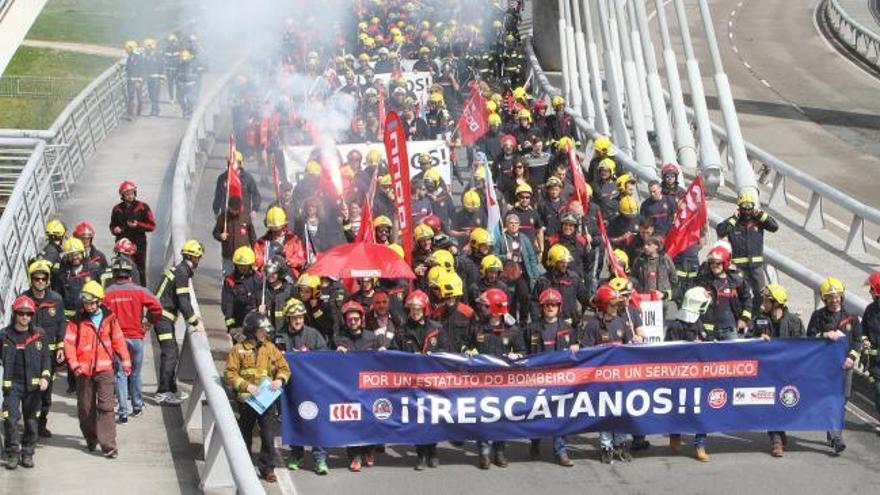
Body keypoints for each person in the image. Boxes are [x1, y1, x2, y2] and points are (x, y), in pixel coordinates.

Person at [63, 281, 132, 458]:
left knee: (106, 408)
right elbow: (69, 343)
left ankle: (109, 446)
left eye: (92, 302)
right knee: (85, 409)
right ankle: (91, 437)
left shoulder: (110, 318)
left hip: (105, 370)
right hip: (83, 371)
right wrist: (74, 365)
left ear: (99, 301)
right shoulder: (76, 320)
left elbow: (118, 340)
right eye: (86, 302)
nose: (89, 306)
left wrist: (125, 360)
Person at [224, 312, 290, 483]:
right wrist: (247, 386)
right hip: (246, 403)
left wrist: (279, 379)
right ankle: (243, 468)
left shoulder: (270, 348)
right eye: (262, 330)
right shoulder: (237, 350)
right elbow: (230, 374)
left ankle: (267, 468)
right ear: (253, 331)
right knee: (244, 435)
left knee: (268, 436)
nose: (265, 333)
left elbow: (284, 367)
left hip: (267, 402)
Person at [806, 277, 864, 455]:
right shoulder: (818, 316)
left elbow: (857, 342)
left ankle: (832, 431)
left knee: (843, 398)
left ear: (842, 297)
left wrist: (851, 358)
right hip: (825, 367)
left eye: (837, 296)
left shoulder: (852, 319)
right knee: (832, 399)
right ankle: (836, 435)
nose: (834, 300)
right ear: (824, 299)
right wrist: (824, 334)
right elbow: (809, 337)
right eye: (830, 297)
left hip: (845, 366)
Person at [467, 288, 523, 469]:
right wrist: (466, 351)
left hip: (504, 383)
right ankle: (484, 452)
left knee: (502, 417)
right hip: (481, 382)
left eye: (484, 306)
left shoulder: (512, 330)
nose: (480, 308)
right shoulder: (476, 326)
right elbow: (465, 345)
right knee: (483, 416)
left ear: (494, 308)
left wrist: (518, 355)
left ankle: (500, 452)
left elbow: (523, 351)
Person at [103, 257, 163, 423]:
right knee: (135, 373)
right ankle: (137, 405)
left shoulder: (107, 294)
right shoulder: (139, 291)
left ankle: (122, 411)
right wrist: (149, 322)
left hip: (117, 340)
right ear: (130, 274)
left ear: (114, 274)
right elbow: (157, 307)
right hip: (136, 338)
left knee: (121, 374)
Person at [394, 291, 448, 470]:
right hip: (412, 383)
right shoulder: (402, 330)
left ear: (424, 309)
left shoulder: (437, 328)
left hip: (434, 381)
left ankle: (433, 452)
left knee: (433, 417)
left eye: (418, 308)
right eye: (411, 308)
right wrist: (409, 357)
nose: (415, 311)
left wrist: (436, 355)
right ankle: (421, 455)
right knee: (417, 418)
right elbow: (394, 354)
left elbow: (448, 350)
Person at [581, 284, 634, 464]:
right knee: (604, 412)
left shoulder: (621, 322)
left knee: (621, 411)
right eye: (613, 304)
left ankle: (621, 444)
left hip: (620, 377)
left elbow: (629, 346)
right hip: (601, 379)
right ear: (603, 305)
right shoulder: (593, 325)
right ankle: (606, 446)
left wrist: (633, 342)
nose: (617, 307)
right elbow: (585, 352)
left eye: (618, 304)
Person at [752, 283, 805, 457]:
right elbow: (747, 339)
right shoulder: (759, 319)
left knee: (785, 403)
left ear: (776, 303)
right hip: (767, 371)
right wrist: (757, 338)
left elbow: (803, 346)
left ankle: (780, 432)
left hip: (788, 371)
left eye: (767, 300)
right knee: (770, 403)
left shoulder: (794, 322)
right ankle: (775, 439)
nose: (763, 302)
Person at [526, 288, 577, 466]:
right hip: (537, 380)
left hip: (561, 381)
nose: (550, 307)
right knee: (536, 414)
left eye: (554, 304)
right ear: (541, 307)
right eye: (547, 305)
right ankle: (535, 444)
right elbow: (523, 352)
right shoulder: (532, 328)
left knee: (560, 415)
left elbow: (579, 353)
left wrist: (576, 347)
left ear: (559, 307)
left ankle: (560, 451)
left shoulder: (568, 329)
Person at [334, 300, 386, 471]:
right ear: (345, 321)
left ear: (361, 319)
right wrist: (336, 353)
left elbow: (384, 360)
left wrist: (383, 353)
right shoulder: (339, 339)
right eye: (349, 320)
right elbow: (327, 362)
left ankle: (369, 451)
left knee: (370, 420)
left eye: (356, 319)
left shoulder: (372, 337)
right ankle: (355, 456)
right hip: (349, 388)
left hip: (370, 387)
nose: (353, 322)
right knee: (352, 421)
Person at [1, 296, 51, 469]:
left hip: (33, 387)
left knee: (31, 421)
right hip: (11, 386)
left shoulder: (39, 336)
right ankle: (12, 454)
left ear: (32, 316)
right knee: (11, 421)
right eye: (21, 313)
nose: (25, 317)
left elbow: (46, 359)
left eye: (28, 314)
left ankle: (27, 453)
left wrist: (45, 377)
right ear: (15, 314)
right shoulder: (4, 336)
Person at [153, 240, 205, 406]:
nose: (198, 261)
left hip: (163, 317)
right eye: (198, 258)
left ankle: (171, 389)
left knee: (172, 351)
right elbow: (183, 301)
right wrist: (195, 322)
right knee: (170, 353)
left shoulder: (180, 270)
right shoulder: (182, 273)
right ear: (193, 257)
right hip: (163, 318)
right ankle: (163, 392)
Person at [18, 259, 65, 438]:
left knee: (45, 393)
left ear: (48, 280)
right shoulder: (23, 300)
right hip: (27, 355)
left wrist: (60, 346)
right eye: (36, 279)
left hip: (48, 357)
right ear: (31, 279)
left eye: (43, 279)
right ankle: (30, 426)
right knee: (28, 391)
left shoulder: (56, 300)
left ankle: (41, 423)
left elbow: (61, 324)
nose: (40, 282)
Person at [665, 287, 712, 462]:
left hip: (700, 375)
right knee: (678, 407)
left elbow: (707, 341)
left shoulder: (699, 323)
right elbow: (669, 352)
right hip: (680, 377)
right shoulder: (675, 326)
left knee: (702, 410)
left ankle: (700, 445)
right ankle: (675, 434)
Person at [715, 192, 778, 306]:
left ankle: (757, 316)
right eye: (744, 207)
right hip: (739, 268)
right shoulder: (734, 222)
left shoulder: (758, 221)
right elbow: (721, 231)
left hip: (756, 267)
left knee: (761, 295)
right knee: (741, 294)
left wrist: (761, 215)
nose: (747, 211)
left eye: (750, 207)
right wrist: (734, 218)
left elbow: (774, 227)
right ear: (739, 208)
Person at [696, 246, 752, 341]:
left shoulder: (736, 281)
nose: (714, 266)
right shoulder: (703, 281)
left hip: (730, 330)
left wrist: (744, 319)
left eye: (718, 263)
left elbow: (747, 299)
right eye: (712, 263)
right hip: (709, 331)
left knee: (733, 355)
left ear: (725, 263)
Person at [109, 180, 156, 287]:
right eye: (127, 194)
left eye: (132, 193)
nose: (130, 196)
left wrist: (138, 225)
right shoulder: (117, 209)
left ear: (135, 193)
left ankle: (143, 291)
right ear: (122, 195)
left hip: (139, 243)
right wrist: (115, 230)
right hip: (122, 245)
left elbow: (152, 226)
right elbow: (112, 226)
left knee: (140, 269)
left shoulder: (143, 207)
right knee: (122, 267)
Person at [222, 246, 263, 337]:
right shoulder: (230, 281)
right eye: (240, 265)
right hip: (238, 323)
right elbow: (227, 304)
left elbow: (263, 297)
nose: (242, 268)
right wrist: (231, 326)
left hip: (256, 323)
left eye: (245, 266)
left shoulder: (258, 278)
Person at [212, 196, 256, 276]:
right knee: (228, 278)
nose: (235, 212)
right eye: (233, 209)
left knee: (242, 277)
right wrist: (220, 236)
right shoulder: (223, 217)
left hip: (243, 257)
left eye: (237, 210)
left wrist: (254, 251)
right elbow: (215, 233)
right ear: (229, 207)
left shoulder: (246, 217)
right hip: (228, 256)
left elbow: (252, 236)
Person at [212, 151, 262, 217]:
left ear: (239, 163)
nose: (231, 164)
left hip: (244, 215)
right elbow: (218, 196)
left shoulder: (248, 178)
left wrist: (254, 210)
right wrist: (216, 211)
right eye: (229, 162)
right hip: (227, 216)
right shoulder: (222, 178)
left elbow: (256, 195)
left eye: (233, 163)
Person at [863, 272, 880, 421]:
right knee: (878, 390)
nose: (870, 292)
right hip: (875, 362)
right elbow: (863, 331)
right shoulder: (870, 310)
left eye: (872, 289)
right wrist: (865, 340)